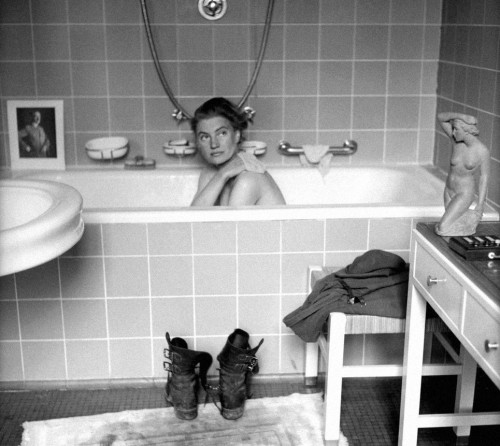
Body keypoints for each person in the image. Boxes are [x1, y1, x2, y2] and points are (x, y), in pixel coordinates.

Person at [190, 97, 285, 206]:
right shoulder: (211, 173)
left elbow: (232, 223)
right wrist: (222, 174)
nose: (214, 144)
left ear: (236, 135)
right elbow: (192, 218)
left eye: (222, 133)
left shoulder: (248, 180)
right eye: (205, 137)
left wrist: (222, 174)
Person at [435, 112, 490, 236]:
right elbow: (441, 118)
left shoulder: (482, 151)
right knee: (450, 223)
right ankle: (467, 220)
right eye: (453, 129)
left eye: (456, 129)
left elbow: (484, 178)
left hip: (464, 193)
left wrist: (480, 205)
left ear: (466, 131)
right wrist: (462, 117)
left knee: (443, 228)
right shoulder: (456, 142)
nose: (453, 132)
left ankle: (470, 221)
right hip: (449, 190)